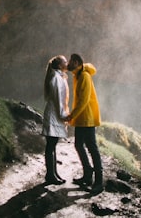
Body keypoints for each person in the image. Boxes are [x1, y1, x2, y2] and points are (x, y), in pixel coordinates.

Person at [66, 53, 103, 194]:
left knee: (92, 148)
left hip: (87, 118)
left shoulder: (84, 76)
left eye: (70, 61)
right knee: (78, 145)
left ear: (76, 62)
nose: (68, 63)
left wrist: (72, 115)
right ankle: (88, 175)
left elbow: (84, 100)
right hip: (82, 119)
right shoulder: (78, 75)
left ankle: (98, 182)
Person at [41, 55, 70, 185]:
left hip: (54, 112)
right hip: (54, 113)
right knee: (51, 145)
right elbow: (59, 99)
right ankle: (50, 175)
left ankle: (54, 173)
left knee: (52, 145)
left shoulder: (58, 76)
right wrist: (64, 115)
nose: (67, 63)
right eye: (65, 62)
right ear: (59, 65)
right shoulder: (56, 78)